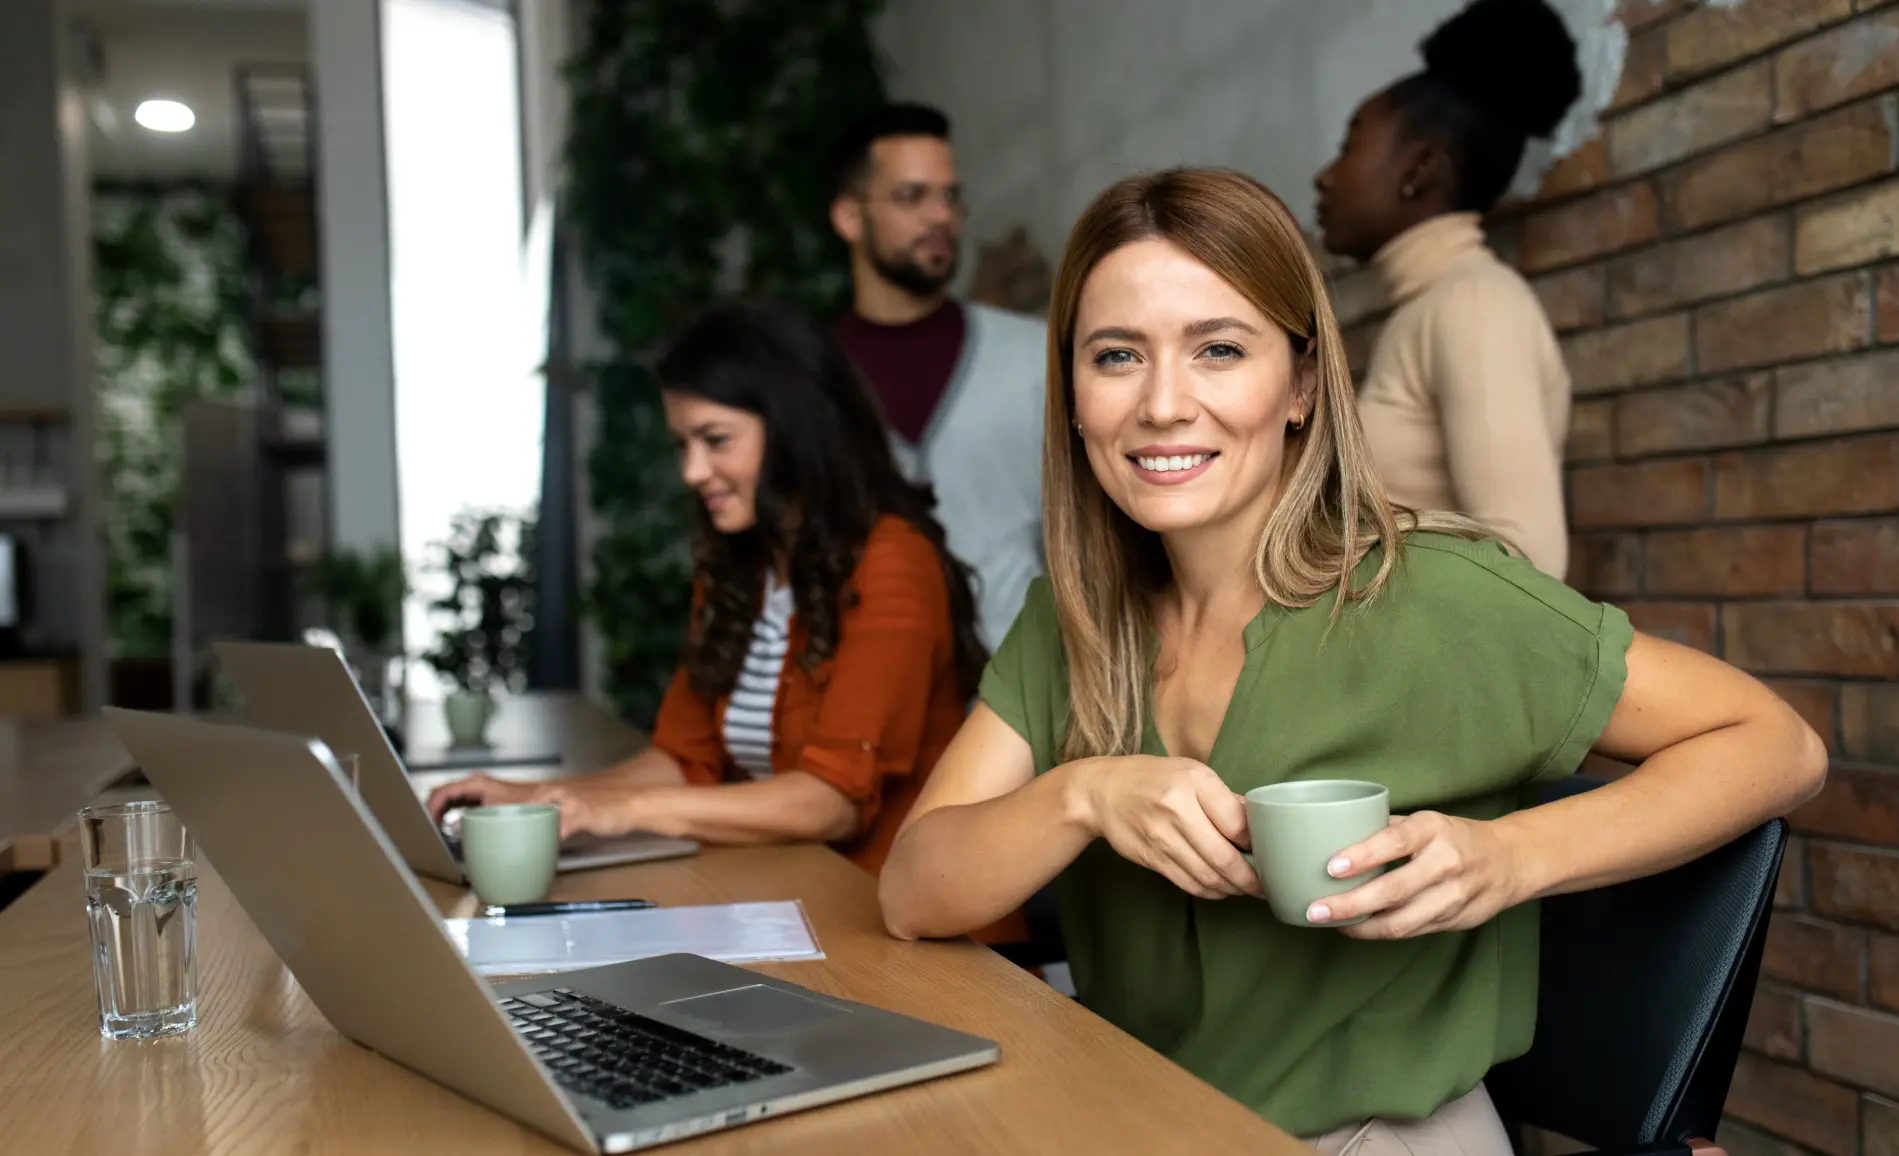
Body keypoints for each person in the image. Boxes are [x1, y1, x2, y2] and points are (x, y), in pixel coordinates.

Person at [875, 168, 1826, 1152]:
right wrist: (1083, 795)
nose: (1162, 403)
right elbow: (912, 893)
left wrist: (1512, 858)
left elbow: (1778, 744)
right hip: (1139, 1120)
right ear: (1071, 394)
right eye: (1117, 355)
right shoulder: (1077, 618)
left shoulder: (1435, 599)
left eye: (1219, 350)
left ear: (1298, 387)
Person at [427, 301, 988, 876]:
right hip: (805, 893)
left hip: (913, 931)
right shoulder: (740, 564)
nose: (692, 472)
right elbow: (682, 760)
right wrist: (534, 799)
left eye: (715, 440)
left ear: (797, 430)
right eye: (682, 444)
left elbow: (831, 804)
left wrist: (624, 811)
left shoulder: (892, 561)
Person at [1314, 0, 1581, 579]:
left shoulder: (1474, 303)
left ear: (1418, 170)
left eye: (1347, 146)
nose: (1324, 175)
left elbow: (1527, 564)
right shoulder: (1427, 307)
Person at [828, 102, 1046, 649]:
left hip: (1026, 703)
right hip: (871, 704)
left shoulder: (1035, 356)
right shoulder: (812, 382)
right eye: (911, 197)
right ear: (850, 218)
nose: (940, 217)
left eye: (951, 197)